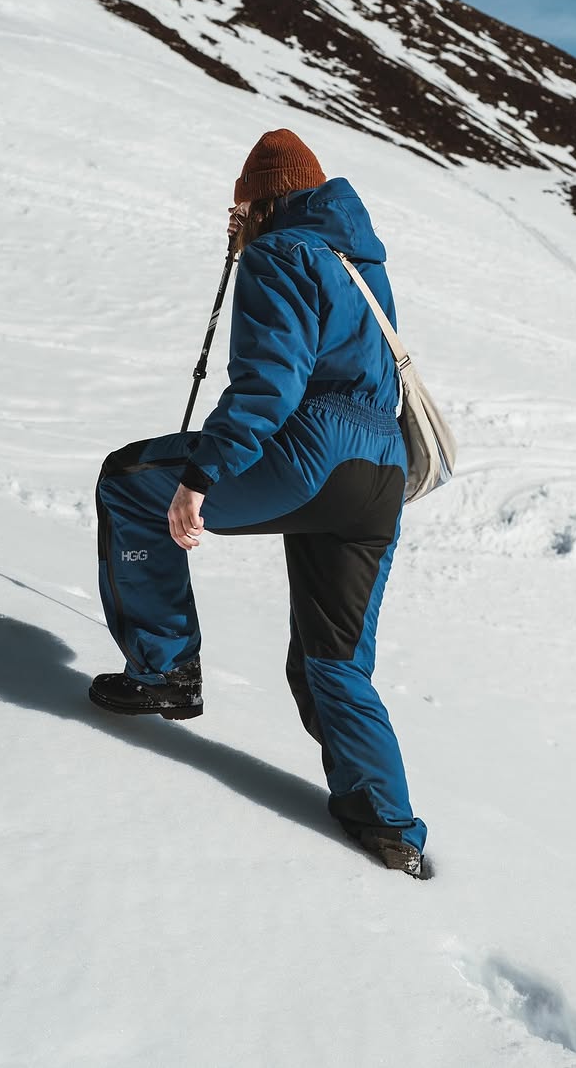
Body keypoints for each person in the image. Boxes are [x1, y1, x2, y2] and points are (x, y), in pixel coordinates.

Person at [91, 129, 427, 876]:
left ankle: (164, 669)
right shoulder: (359, 264)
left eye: (243, 204)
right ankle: (389, 824)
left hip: (312, 458)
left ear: (264, 199)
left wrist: (202, 476)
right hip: (380, 478)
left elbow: (269, 385)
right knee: (330, 662)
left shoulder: (282, 253)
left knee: (127, 482)